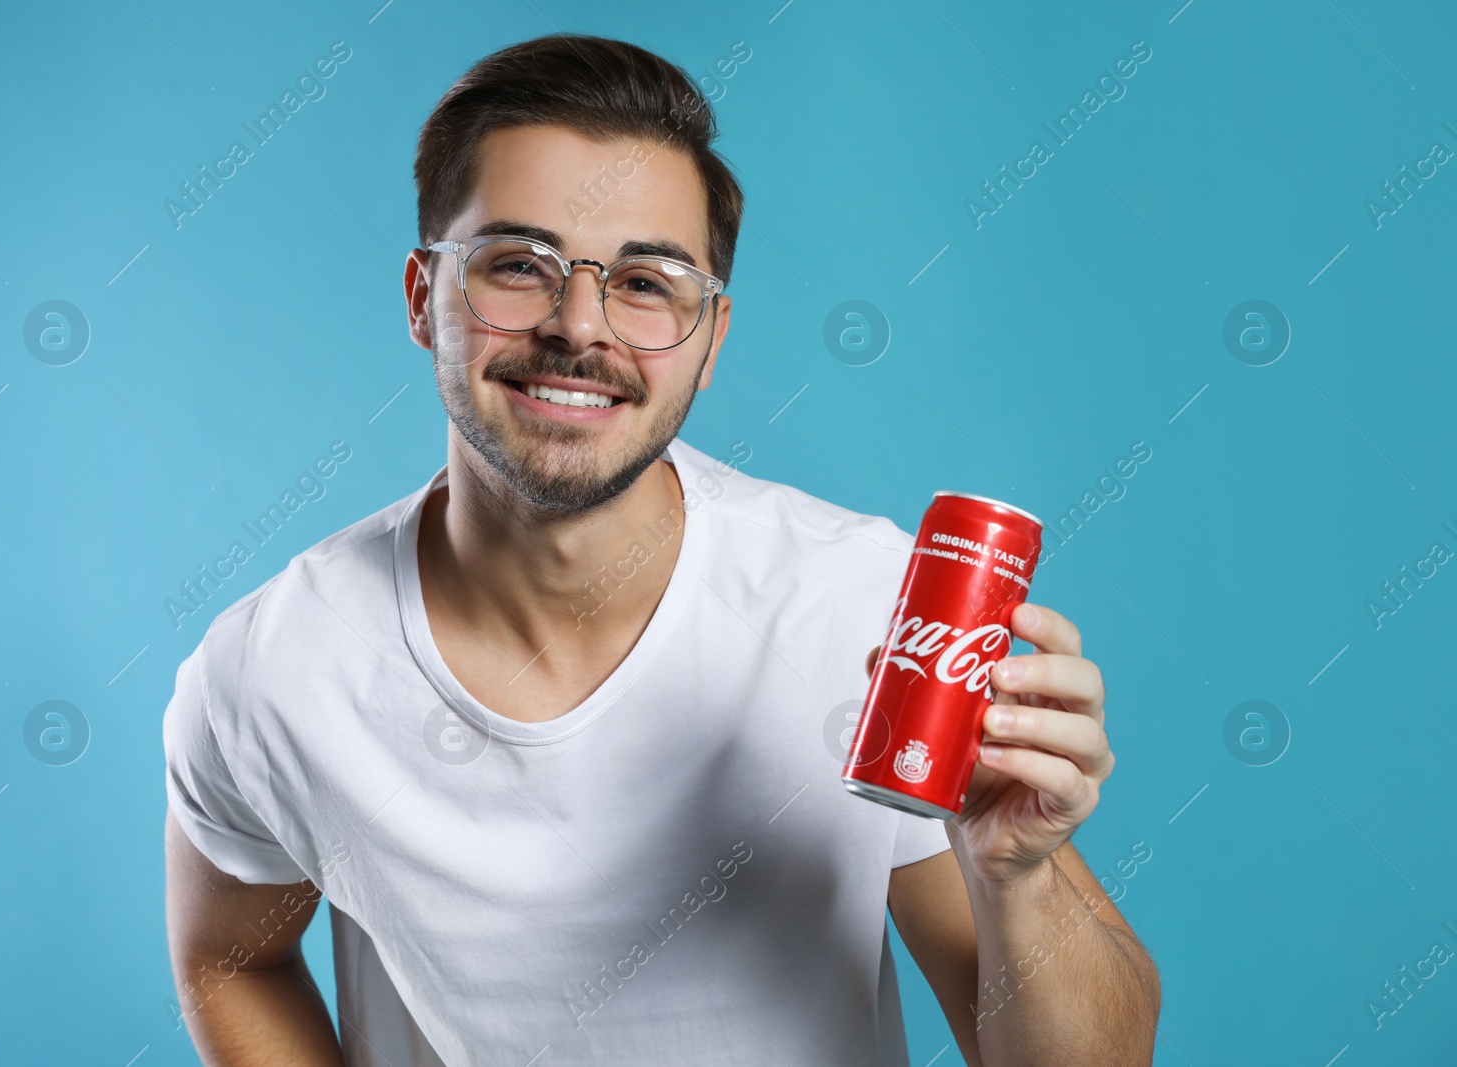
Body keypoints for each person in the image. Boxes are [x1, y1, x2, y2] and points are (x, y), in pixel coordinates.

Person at [162, 33, 1161, 1066]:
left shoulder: (863, 612)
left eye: (647, 282)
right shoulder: (273, 667)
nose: (580, 326)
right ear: (423, 297)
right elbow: (229, 957)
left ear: (711, 338)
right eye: (518, 266)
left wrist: (1021, 877)